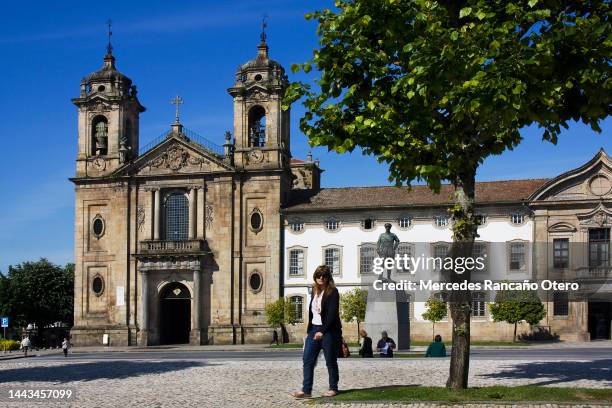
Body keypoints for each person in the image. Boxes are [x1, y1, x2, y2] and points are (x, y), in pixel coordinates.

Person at [292, 265, 342, 399]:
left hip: (328, 331)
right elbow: (313, 311)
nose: (321, 278)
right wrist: (311, 331)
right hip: (313, 329)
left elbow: (332, 315)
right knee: (307, 359)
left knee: (330, 360)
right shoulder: (314, 291)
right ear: (315, 276)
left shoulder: (333, 292)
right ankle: (306, 390)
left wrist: (323, 331)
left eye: (324, 276)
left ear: (328, 278)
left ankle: (333, 388)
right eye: (318, 275)